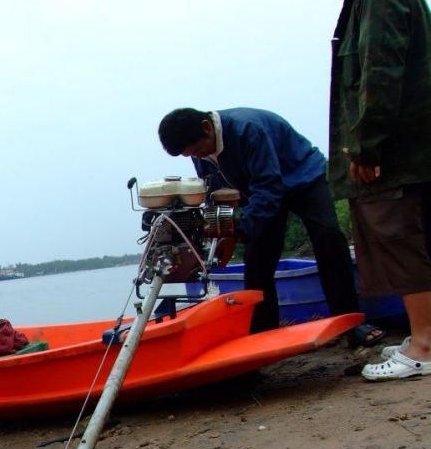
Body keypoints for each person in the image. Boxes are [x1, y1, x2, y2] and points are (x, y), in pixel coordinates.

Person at [298, 0, 431, 381]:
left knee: (401, 244)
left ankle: (424, 346)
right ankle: (424, 335)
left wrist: (367, 145)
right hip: (406, 150)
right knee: (412, 241)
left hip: (396, 154)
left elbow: (379, 70)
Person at [157, 106, 383, 342]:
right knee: (256, 260)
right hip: (260, 191)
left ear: (206, 127)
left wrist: (241, 230)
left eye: (198, 150)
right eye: (192, 155)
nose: (199, 156)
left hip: (302, 179)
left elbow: (269, 186)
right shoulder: (201, 152)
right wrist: (224, 235)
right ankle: (262, 335)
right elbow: (217, 193)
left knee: (328, 237)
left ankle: (350, 322)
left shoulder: (248, 129)